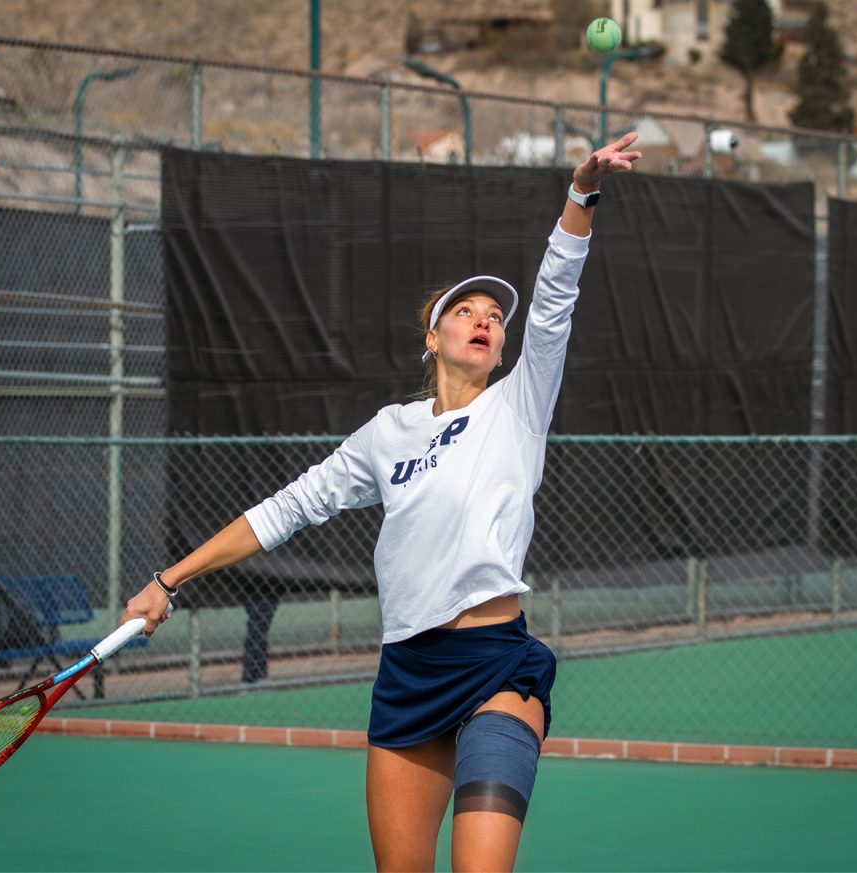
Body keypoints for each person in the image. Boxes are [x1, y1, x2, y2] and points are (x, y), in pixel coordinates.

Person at [121, 133, 642, 871]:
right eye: (468, 310)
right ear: (434, 336)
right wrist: (169, 579)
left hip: (497, 665)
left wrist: (580, 193)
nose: (487, 319)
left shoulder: (520, 405)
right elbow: (284, 510)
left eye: (496, 315)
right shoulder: (387, 433)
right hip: (407, 673)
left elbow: (555, 298)